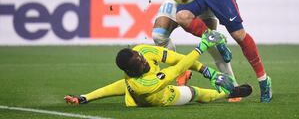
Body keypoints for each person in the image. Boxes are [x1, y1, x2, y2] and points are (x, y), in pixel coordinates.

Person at [64, 30, 253, 107]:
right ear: (131, 72)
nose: (143, 60)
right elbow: (179, 67)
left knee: (183, 69)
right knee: (195, 93)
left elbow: (176, 58)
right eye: (138, 62)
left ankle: (223, 89)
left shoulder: (142, 50)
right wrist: (202, 47)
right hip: (161, 97)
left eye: (139, 56)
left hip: (144, 88)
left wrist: (84, 98)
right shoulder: (143, 84)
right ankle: (227, 94)